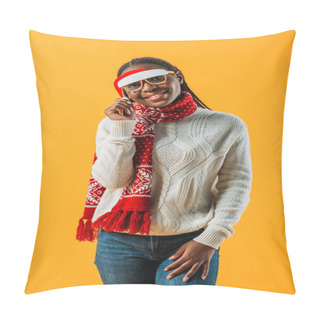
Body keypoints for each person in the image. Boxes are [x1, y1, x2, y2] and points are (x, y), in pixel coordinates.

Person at [77, 56, 253, 285]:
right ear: (125, 93)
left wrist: (210, 239)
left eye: (156, 78)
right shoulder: (115, 123)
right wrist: (122, 128)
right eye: (134, 84)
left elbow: (235, 184)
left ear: (177, 77)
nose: (148, 87)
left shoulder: (226, 125)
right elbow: (112, 180)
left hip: (190, 239)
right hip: (120, 242)